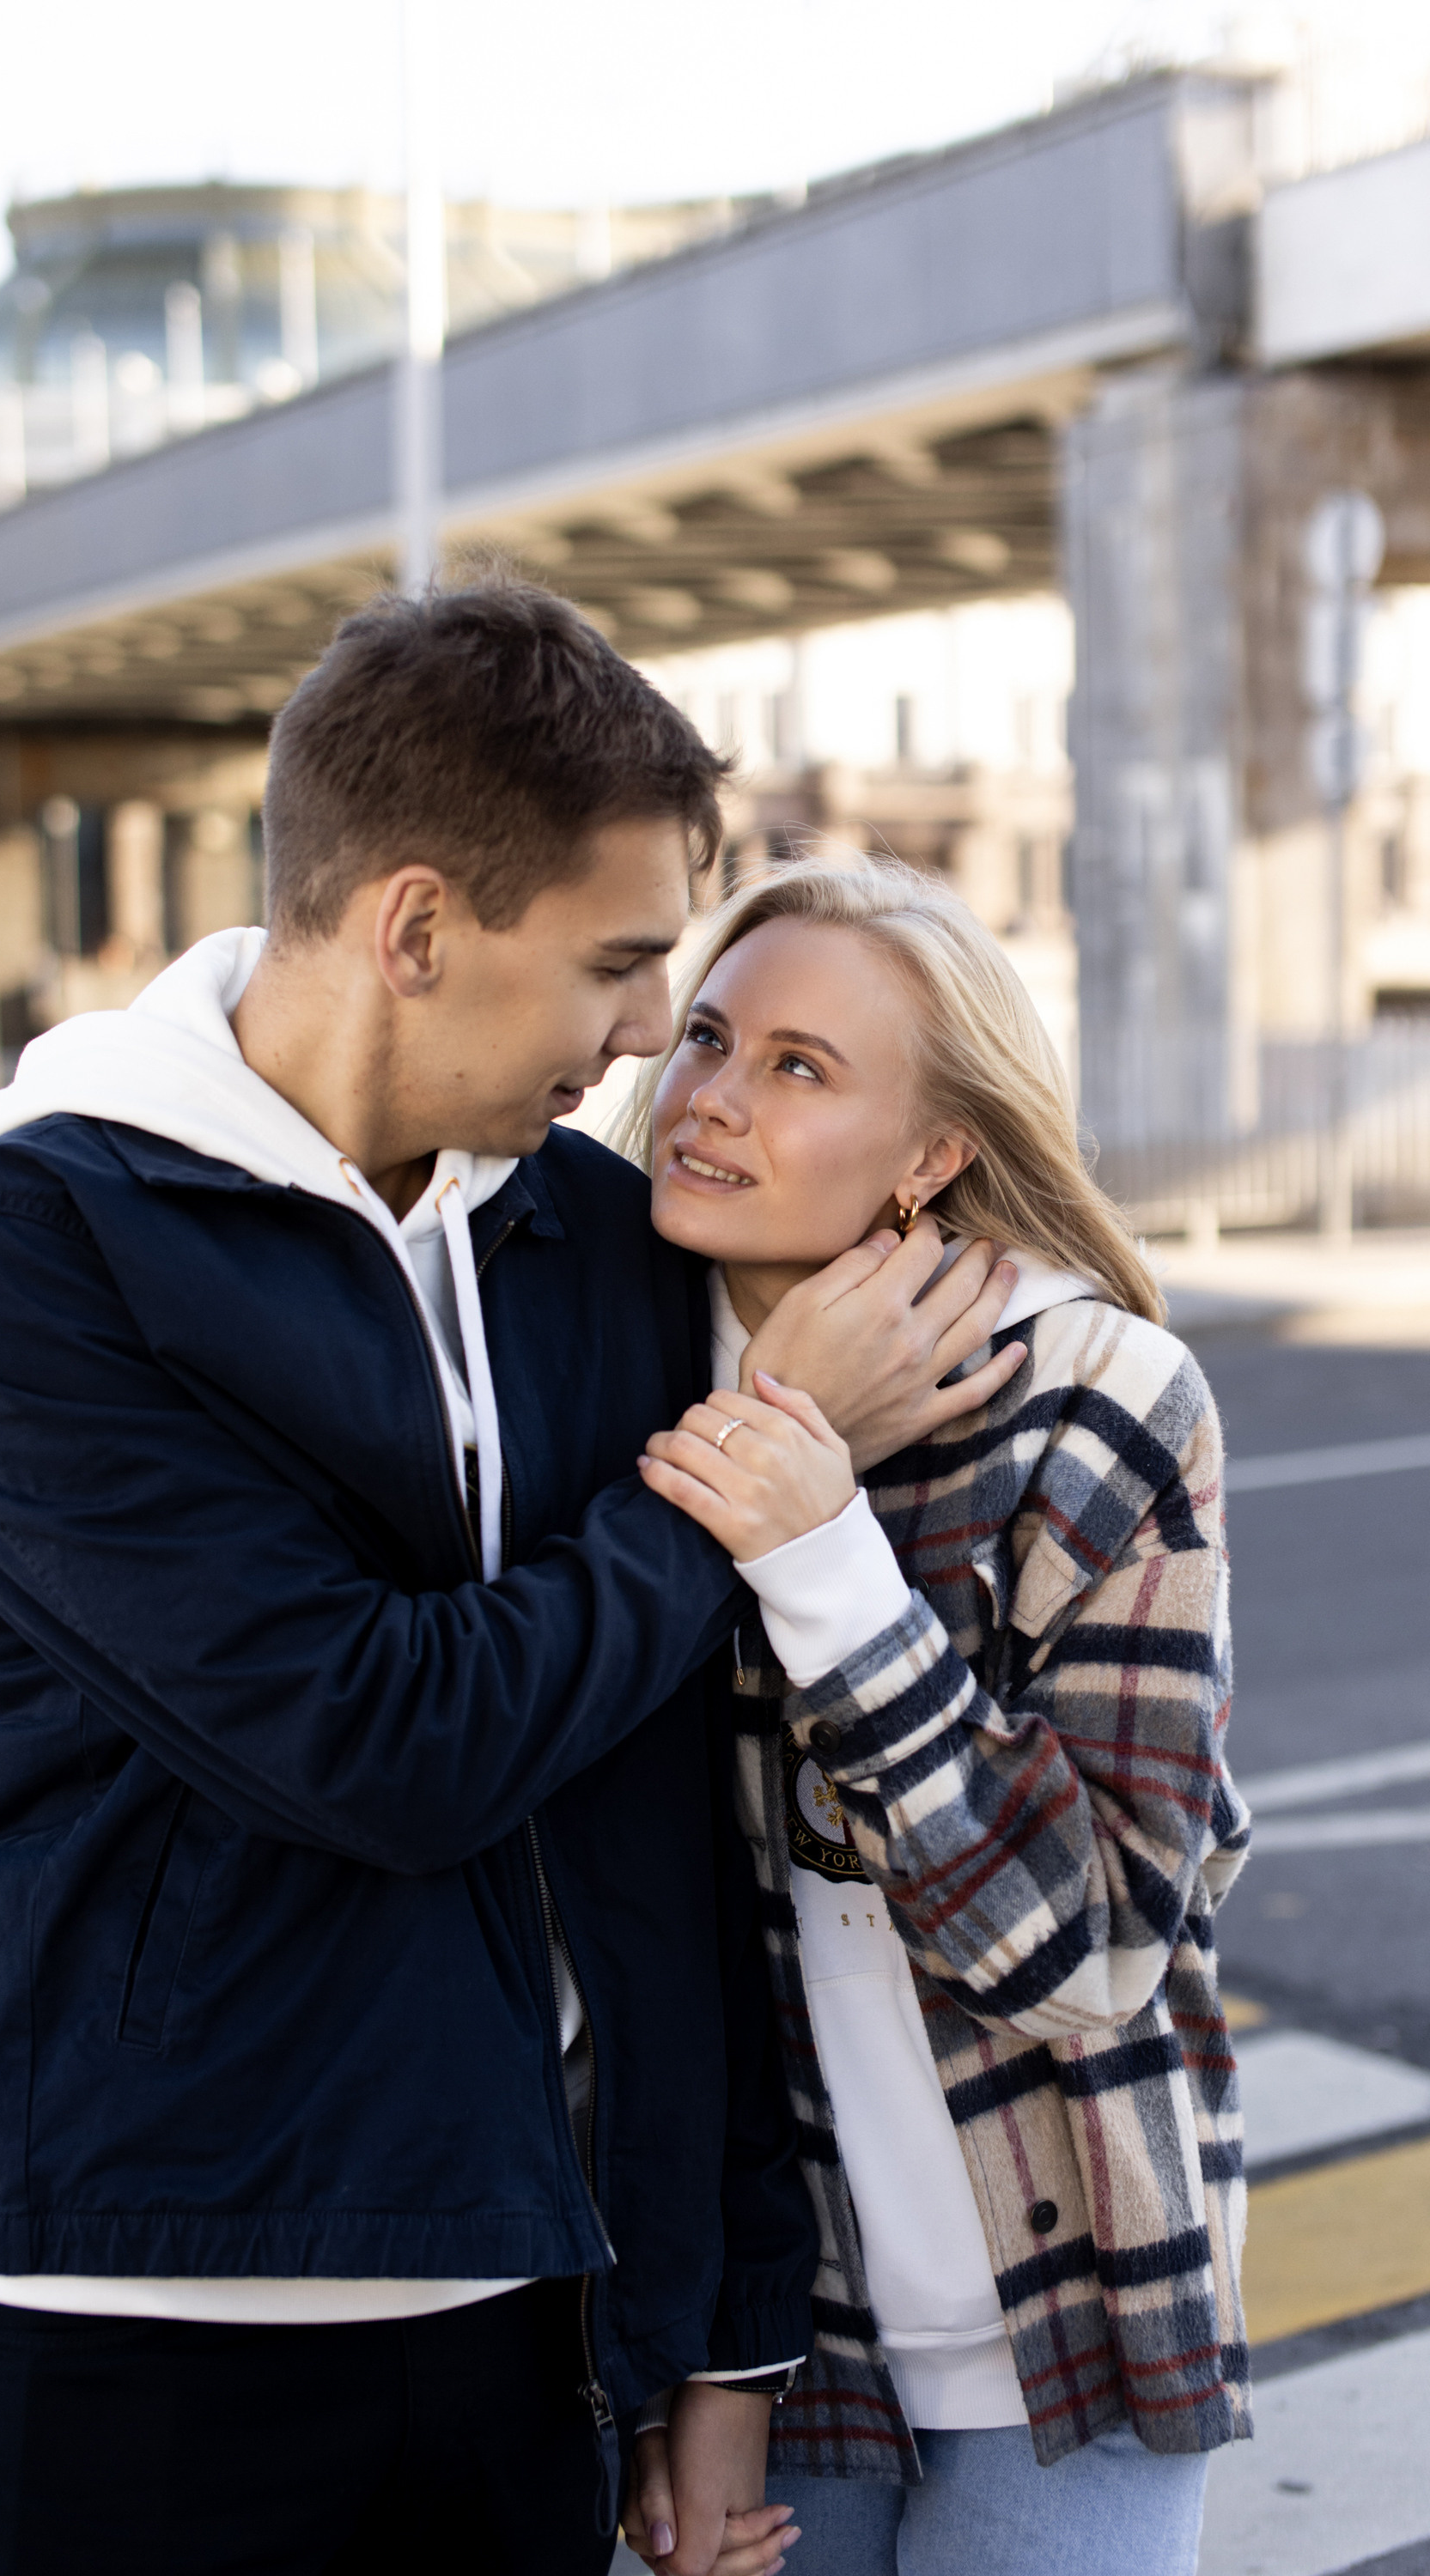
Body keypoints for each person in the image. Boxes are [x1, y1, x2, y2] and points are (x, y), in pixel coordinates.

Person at [0, 585, 1027, 2576]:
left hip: (531, 2306)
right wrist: (753, 1458)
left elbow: (674, 1841)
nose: (636, 1051)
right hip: (160, 2305)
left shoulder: (590, 1237)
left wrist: (723, 2342)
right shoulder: (33, 1250)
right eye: (614, 971)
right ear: (416, 928)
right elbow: (372, 1737)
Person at [618, 860, 1251, 2576]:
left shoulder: (1094, 1404)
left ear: (929, 1158)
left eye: (799, 1067)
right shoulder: (599, 1390)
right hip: (764, 2340)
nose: (712, 1100)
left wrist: (819, 1553)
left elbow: (1092, 1947)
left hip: (1073, 2316)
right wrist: (686, 2357)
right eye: (703, 1038)